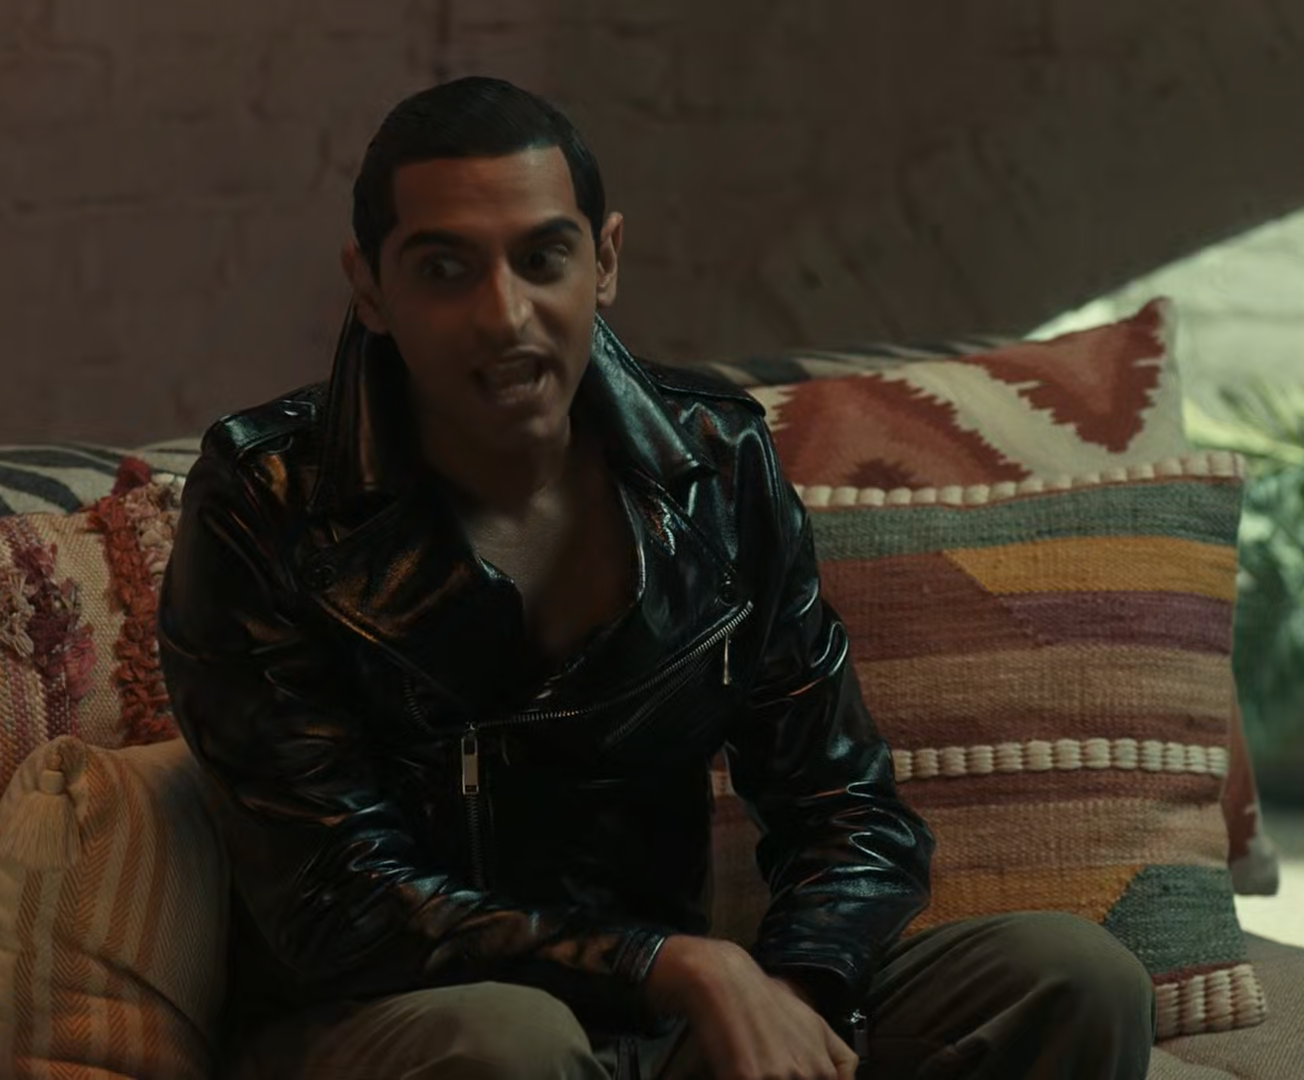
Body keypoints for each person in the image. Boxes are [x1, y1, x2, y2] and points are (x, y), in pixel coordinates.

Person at [157, 75, 1156, 1080]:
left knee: (1071, 977)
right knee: (512, 1044)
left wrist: (790, 1000)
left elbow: (847, 811)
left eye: (543, 258)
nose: (504, 315)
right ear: (370, 287)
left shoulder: (715, 467)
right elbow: (339, 902)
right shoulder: (268, 499)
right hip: (395, 1029)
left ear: (605, 262)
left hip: (661, 1029)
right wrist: (674, 968)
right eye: (444, 269)